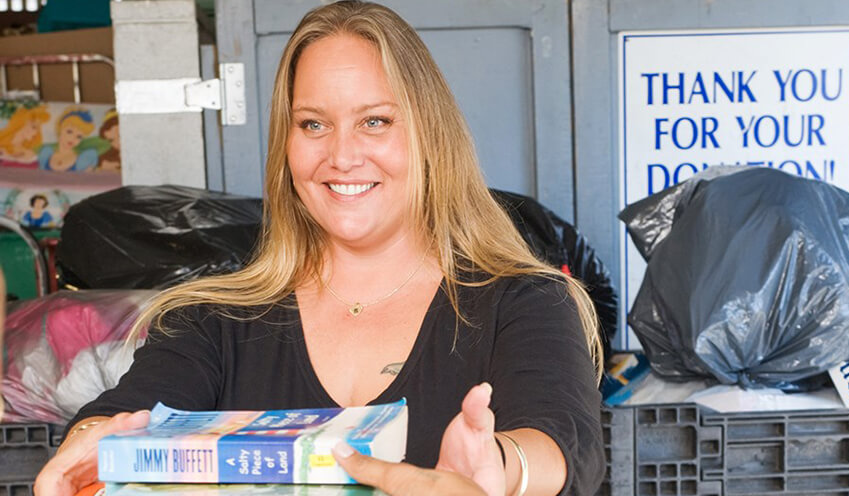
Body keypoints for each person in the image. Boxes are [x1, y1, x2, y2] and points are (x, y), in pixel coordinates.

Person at [34, 2, 605, 495]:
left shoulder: (525, 301)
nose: (342, 155)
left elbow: (563, 441)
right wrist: (90, 441)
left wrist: (497, 471)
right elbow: (131, 408)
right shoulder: (211, 320)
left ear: (430, 137)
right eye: (312, 125)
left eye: (375, 121)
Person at [37, 107, 98, 172]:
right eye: (69, 132)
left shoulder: (82, 161)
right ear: (60, 129)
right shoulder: (46, 153)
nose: (73, 138)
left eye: (79, 136)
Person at [0, 104, 50, 168]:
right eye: (34, 127)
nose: (36, 132)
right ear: (21, 124)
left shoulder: (30, 154)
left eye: (38, 128)